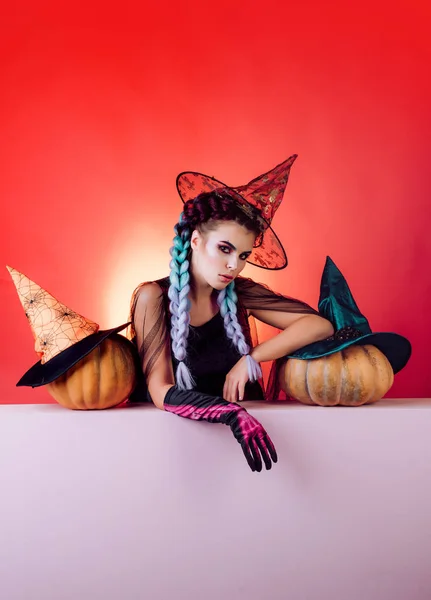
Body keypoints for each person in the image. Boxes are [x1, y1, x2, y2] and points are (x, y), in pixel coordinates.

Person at [128, 155, 334, 472]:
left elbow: (317, 326)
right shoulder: (152, 297)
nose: (233, 266)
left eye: (243, 255)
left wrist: (251, 357)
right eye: (224, 249)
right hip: (180, 453)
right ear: (195, 240)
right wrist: (229, 412)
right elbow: (160, 389)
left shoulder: (239, 292)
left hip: (251, 447)